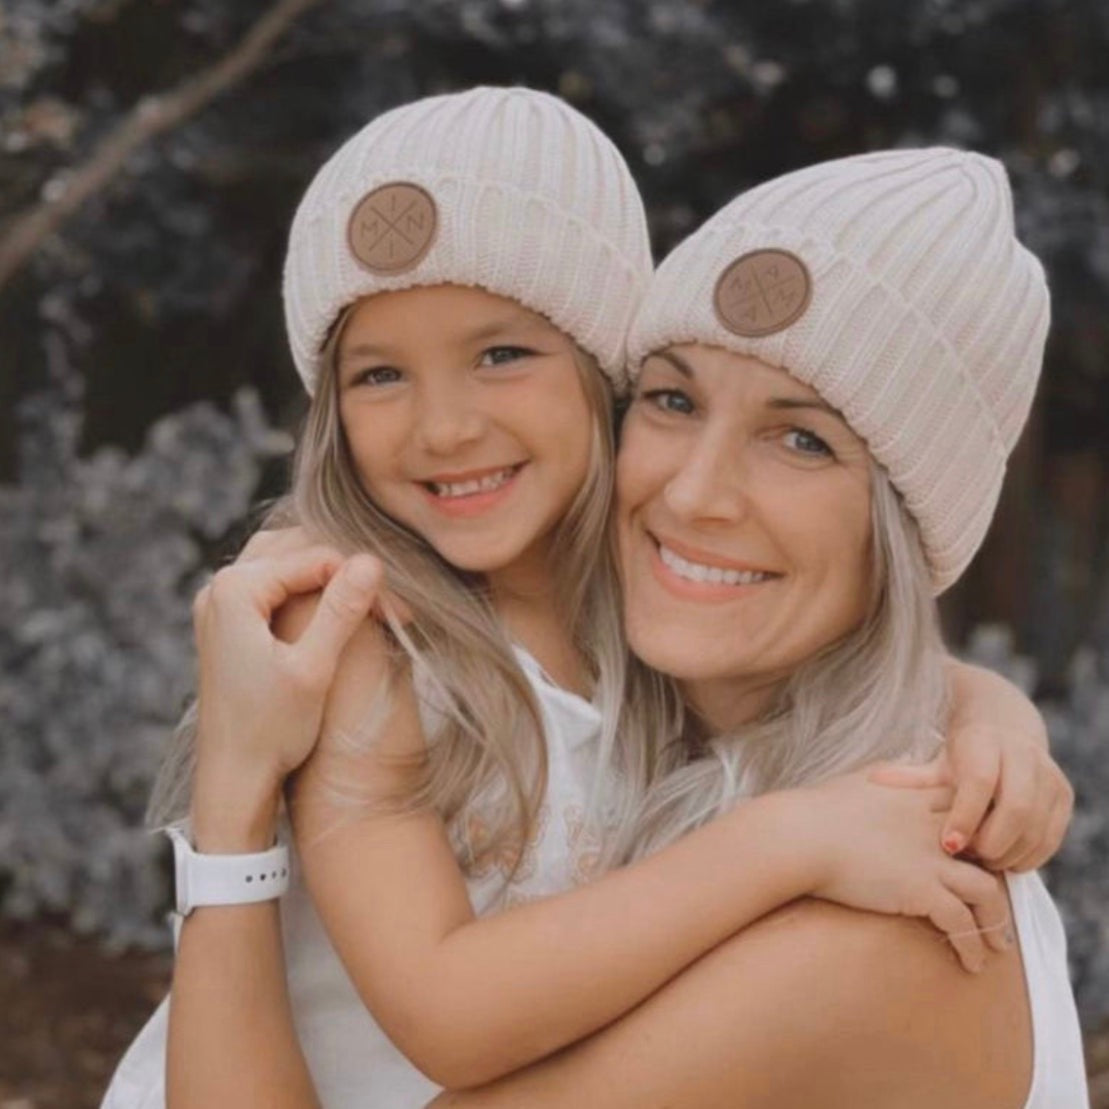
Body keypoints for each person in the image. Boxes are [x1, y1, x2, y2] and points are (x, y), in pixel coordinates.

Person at [100, 99, 1076, 1109]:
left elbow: (878, 666)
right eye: (379, 374)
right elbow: (449, 1006)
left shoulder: (644, 624)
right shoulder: (363, 624)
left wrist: (993, 719)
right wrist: (793, 833)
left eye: (502, 354)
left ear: (594, 371)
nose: (443, 427)